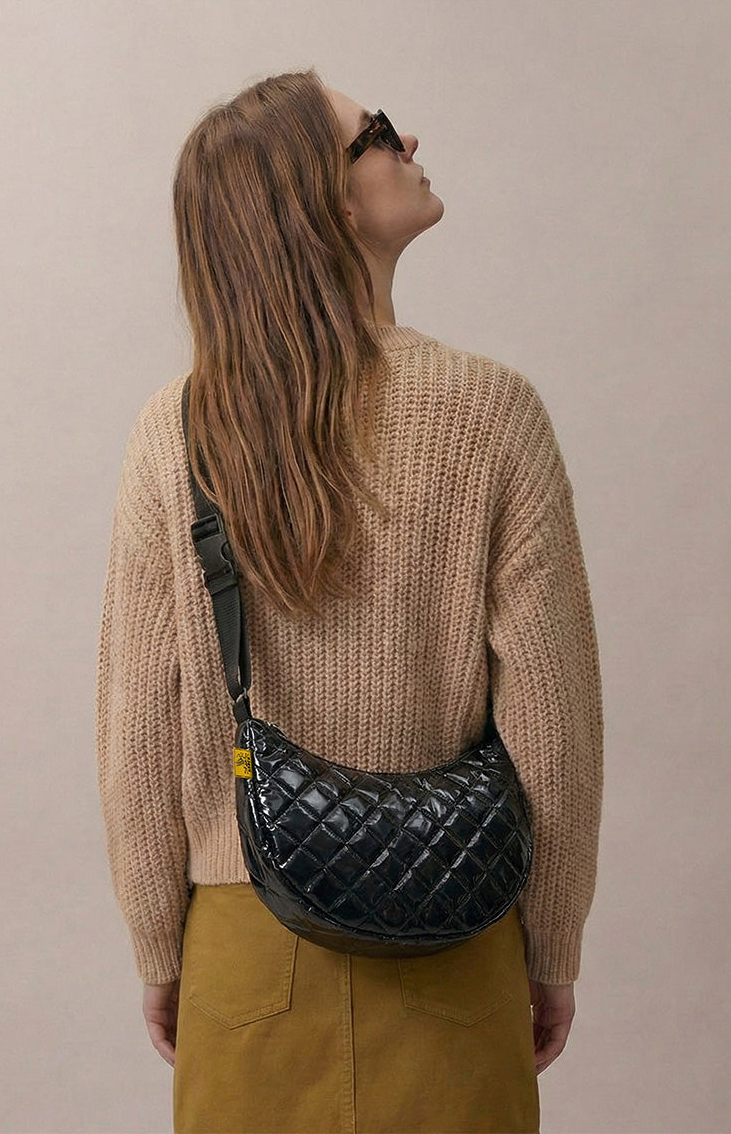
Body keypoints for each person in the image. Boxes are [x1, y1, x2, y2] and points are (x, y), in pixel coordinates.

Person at [95, 66, 604, 1134]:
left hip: (245, 957)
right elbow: (552, 725)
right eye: (376, 131)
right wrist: (552, 945)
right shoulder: (492, 413)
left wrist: (160, 947)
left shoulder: (177, 431)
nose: (407, 140)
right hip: (457, 937)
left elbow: (138, 727)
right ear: (319, 200)